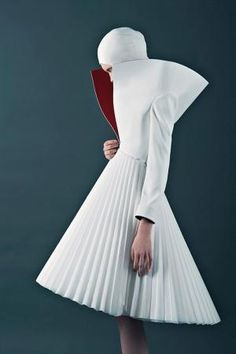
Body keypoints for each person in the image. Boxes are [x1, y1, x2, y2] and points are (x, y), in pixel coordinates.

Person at [36, 27, 221, 354]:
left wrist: (145, 227)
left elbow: (159, 159)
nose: (109, 80)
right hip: (119, 189)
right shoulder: (136, 89)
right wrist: (121, 149)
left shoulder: (161, 93)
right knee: (124, 310)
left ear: (122, 64)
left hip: (137, 201)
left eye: (109, 71)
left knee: (128, 308)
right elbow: (142, 144)